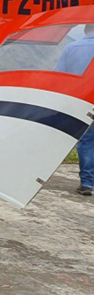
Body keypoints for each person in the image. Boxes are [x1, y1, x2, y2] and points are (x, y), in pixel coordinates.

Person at [54, 25, 94, 196]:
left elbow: (60, 76)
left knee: (86, 142)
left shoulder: (72, 48)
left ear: (86, 30)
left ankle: (87, 183)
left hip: (82, 101)